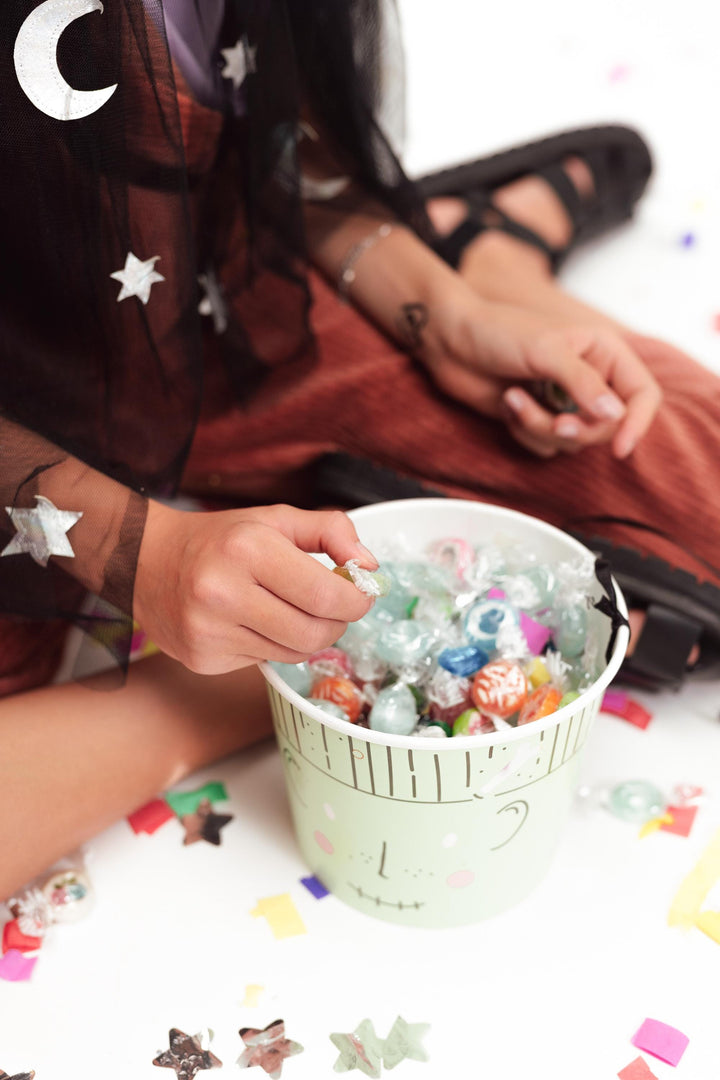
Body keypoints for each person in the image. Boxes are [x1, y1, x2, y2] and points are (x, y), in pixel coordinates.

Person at [1, 0, 718, 900]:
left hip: (205, 318)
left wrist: (445, 312)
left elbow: (276, 153)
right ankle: (226, 690)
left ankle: (485, 250)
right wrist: (141, 558)